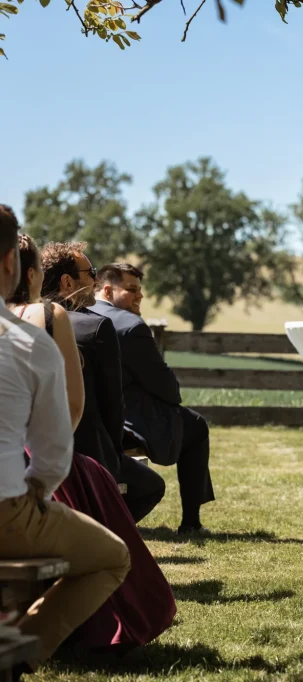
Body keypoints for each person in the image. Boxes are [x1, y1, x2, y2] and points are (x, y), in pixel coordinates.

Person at [7, 236, 175, 651]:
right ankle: (28, 646)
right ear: (29, 273)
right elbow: (72, 409)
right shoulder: (51, 317)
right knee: (114, 553)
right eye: (88, 274)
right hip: (47, 465)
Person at [0, 204, 130, 678]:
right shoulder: (31, 342)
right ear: (12, 264)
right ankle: (15, 652)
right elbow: (55, 451)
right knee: (113, 558)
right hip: (7, 510)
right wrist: (33, 493)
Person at [39, 241, 165, 523]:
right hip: (88, 450)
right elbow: (112, 403)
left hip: (31, 448)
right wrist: (114, 456)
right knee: (152, 486)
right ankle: (101, 536)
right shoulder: (94, 327)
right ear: (67, 281)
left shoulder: (23, 319)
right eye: (90, 272)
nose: (96, 280)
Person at [91, 263, 215, 534]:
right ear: (108, 289)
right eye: (132, 290)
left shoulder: (75, 314)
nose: (139, 297)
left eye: (140, 291)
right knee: (196, 426)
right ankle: (191, 522)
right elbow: (166, 388)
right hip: (125, 423)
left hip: (88, 418)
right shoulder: (131, 327)